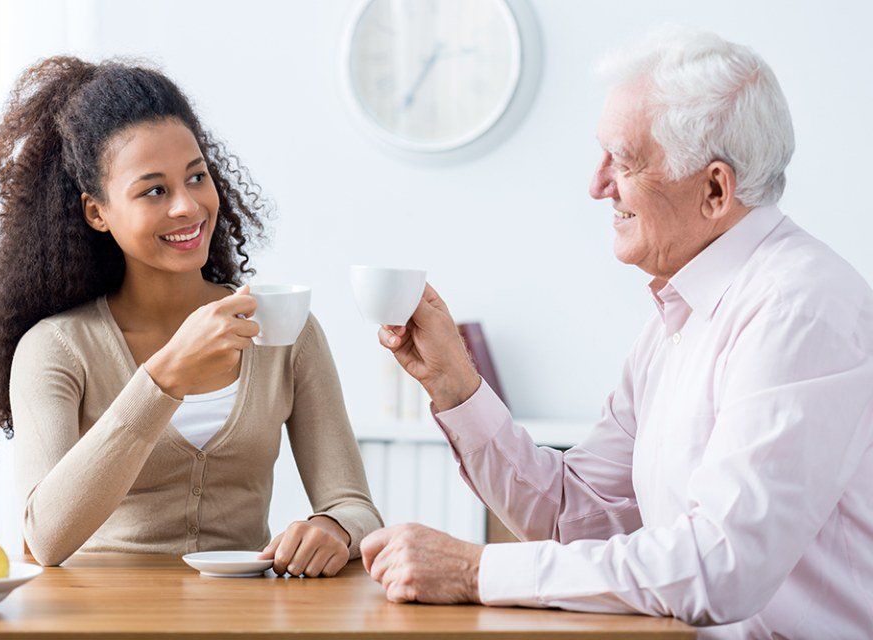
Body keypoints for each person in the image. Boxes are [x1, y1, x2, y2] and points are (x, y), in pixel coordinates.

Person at [360, 26, 873, 639]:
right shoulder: (678, 319)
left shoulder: (801, 307)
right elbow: (573, 516)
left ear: (715, 189)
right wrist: (455, 384)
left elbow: (721, 566)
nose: (597, 185)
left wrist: (475, 571)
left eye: (623, 160)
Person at [0, 56, 382, 575]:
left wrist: (333, 527)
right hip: (97, 621)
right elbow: (44, 538)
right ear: (97, 212)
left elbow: (356, 506)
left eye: (196, 177)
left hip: (240, 616)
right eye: (154, 190)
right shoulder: (57, 347)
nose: (187, 206)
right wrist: (164, 378)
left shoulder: (286, 330)